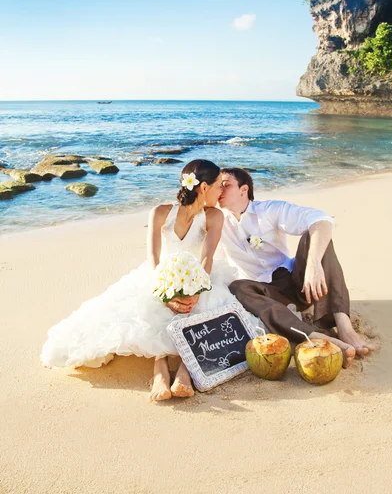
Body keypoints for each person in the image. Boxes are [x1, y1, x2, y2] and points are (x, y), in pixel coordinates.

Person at [41, 160, 261, 402]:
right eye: (220, 185)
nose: (222, 191)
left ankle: (186, 373)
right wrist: (165, 292)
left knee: (201, 307)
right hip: (159, 276)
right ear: (204, 187)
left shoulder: (214, 216)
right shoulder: (160, 212)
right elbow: (153, 257)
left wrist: (197, 289)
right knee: (155, 311)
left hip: (201, 276)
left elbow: (207, 257)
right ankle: (160, 372)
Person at [217, 168, 375, 368]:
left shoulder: (269, 210)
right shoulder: (215, 220)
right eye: (216, 186)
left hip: (297, 282)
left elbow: (321, 220)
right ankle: (312, 335)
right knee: (238, 287)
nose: (219, 190)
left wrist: (313, 264)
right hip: (265, 293)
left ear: (243, 189)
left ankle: (344, 326)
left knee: (314, 236)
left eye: (225, 184)